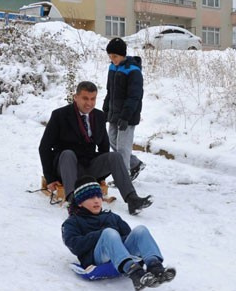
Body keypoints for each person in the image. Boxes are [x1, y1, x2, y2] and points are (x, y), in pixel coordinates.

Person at [39, 81, 153, 215]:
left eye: (93, 99)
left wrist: (101, 175)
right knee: (68, 154)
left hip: (88, 165)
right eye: (85, 98)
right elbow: (44, 147)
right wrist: (50, 177)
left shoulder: (98, 116)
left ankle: (132, 199)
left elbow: (104, 146)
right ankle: (73, 202)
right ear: (76, 97)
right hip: (66, 166)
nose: (89, 103)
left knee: (115, 156)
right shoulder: (60, 115)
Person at [61, 176, 175, 291]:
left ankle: (156, 268)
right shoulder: (72, 222)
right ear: (80, 203)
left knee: (141, 230)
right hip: (97, 258)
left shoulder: (112, 217)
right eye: (90, 197)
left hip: (120, 255)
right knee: (108, 233)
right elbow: (74, 245)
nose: (96, 200)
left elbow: (129, 238)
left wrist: (116, 241)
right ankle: (135, 274)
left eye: (98, 196)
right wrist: (101, 235)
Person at [102, 37, 146, 181]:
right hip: (115, 114)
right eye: (110, 56)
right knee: (112, 140)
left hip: (127, 115)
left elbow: (134, 96)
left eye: (115, 56)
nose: (112, 59)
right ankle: (134, 164)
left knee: (122, 147)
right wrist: (106, 109)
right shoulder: (112, 67)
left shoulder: (133, 70)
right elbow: (110, 91)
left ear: (122, 54)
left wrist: (126, 116)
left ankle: (123, 177)